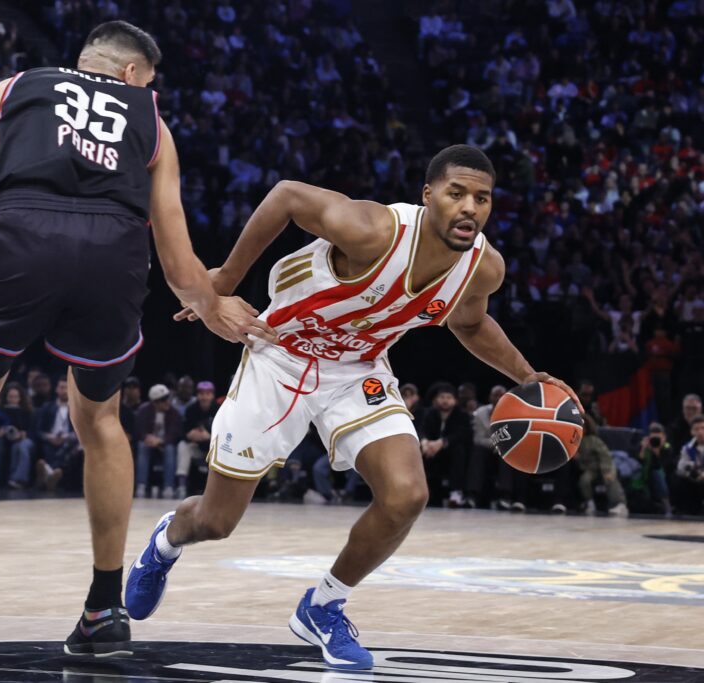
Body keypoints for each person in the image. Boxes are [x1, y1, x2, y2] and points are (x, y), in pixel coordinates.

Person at [0, 20, 273, 658]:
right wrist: (210, 304)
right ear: (132, 74)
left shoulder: (8, 89)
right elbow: (176, 255)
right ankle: (105, 608)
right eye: (149, 80)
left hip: (20, 234)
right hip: (114, 252)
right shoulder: (153, 123)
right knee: (100, 420)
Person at [125, 145, 579, 671]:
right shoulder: (373, 231)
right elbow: (287, 196)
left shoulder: (483, 268)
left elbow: (470, 323)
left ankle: (323, 606)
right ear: (428, 195)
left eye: (482, 198)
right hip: (282, 355)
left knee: (407, 494)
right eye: (456, 194)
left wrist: (527, 376)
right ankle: (166, 543)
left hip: (358, 368)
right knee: (216, 521)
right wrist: (225, 278)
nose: (469, 208)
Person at [419, 383, 474, 507]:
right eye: (442, 397)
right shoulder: (430, 413)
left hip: (452, 451)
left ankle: (456, 492)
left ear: (455, 400)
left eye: (449, 398)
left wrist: (442, 442)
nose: (445, 401)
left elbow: (462, 434)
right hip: (432, 450)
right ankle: (424, 492)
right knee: (419, 451)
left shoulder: (462, 415)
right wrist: (424, 442)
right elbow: (421, 430)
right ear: (436, 399)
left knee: (459, 450)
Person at [134, 384, 182, 499]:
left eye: (167, 398)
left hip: (165, 443)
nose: (167, 402)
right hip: (148, 443)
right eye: (163, 400)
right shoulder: (143, 410)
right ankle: (141, 485)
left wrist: (161, 440)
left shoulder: (174, 412)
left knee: (170, 449)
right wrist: (146, 437)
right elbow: (138, 430)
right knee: (142, 446)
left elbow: (176, 433)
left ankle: (168, 487)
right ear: (155, 402)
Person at [575, 415, 628, 516]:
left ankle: (619, 503)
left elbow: (605, 456)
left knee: (609, 478)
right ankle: (589, 502)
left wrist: (607, 471)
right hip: (589, 469)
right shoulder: (576, 440)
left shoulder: (593, 440)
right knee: (584, 480)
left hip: (603, 466)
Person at [176, 380, 218, 497]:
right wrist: (189, 435)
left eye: (207, 394)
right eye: (201, 394)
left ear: (212, 395)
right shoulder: (191, 409)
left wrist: (209, 436)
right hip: (196, 446)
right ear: (197, 395)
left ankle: (215, 488)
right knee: (182, 446)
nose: (204, 397)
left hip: (213, 448)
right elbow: (183, 432)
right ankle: (181, 484)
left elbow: (225, 434)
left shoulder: (219, 410)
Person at [673, 415, 704, 515]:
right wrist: (693, 471)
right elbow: (681, 467)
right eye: (696, 429)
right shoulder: (687, 448)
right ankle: (688, 512)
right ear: (692, 432)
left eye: (703, 428)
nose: (700, 432)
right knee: (680, 480)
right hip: (696, 480)